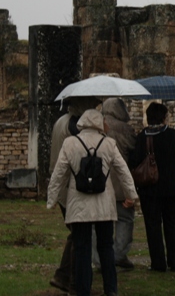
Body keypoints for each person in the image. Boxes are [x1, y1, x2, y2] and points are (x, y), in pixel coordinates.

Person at [47, 109, 138, 296]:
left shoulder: (70, 143)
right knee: (106, 247)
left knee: (81, 248)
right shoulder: (109, 144)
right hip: (103, 204)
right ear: (98, 123)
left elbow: (58, 175)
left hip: (79, 204)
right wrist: (131, 194)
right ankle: (111, 289)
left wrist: (52, 199)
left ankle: (82, 290)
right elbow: (123, 171)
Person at [48, 96, 100, 293]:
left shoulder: (61, 121)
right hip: (72, 185)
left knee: (77, 233)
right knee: (79, 234)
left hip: (63, 183)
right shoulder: (73, 125)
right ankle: (68, 278)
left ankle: (67, 276)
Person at [129, 102, 175, 272]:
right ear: (163, 117)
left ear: (147, 117)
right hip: (172, 187)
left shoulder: (142, 137)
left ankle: (158, 262)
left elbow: (134, 160)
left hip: (150, 188)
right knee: (173, 224)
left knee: (153, 225)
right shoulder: (173, 135)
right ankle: (174, 261)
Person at [92, 98, 137, 271]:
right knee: (125, 218)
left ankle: (98, 259)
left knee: (99, 223)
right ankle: (118, 255)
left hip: (99, 180)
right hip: (119, 181)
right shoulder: (124, 128)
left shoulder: (96, 126)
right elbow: (133, 148)